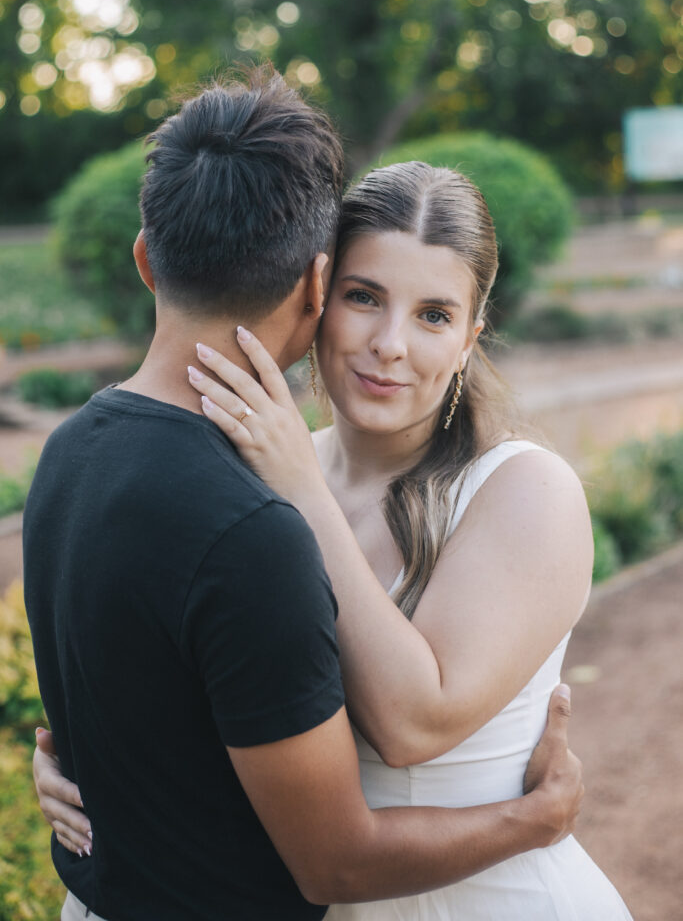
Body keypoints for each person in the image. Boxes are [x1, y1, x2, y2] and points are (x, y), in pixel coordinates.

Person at [26, 70, 583, 921]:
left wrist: (299, 490)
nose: (390, 344)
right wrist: (88, 771)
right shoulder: (251, 469)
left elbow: (413, 725)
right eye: (365, 297)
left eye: (434, 315)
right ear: (317, 292)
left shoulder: (525, 490)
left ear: (471, 336)